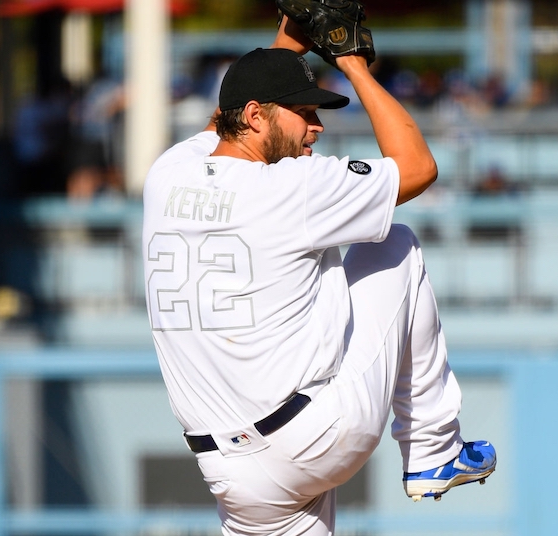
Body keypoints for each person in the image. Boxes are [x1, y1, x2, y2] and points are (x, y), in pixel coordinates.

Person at [141, 15, 496, 536]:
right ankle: (432, 449)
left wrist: (293, 32)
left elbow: (232, 106)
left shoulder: (168, 173)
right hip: (313, 438)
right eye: (304, 112)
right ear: (258, 116)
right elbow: (418, 166)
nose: (318, 126)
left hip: (231, 477)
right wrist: (352, 64)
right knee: (396, 242)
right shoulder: (293, 187)